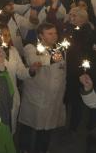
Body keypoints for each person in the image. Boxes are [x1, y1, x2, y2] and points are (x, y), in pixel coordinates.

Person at [0, 24, 40, 132]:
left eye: (7, 35)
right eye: (2, 35)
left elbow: (20, 72)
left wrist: (31, 70)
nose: (5, 37)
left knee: (10, 128)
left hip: (11, 94)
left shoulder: (13, 51)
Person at [19, 23, 67, 153]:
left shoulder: (60, 49)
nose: (54, 36)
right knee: (28, 128)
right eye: (50, 33)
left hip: (54, 99)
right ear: (41, 35)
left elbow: (63, 72)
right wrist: (51, 59)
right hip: (36, 98)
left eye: (55, 33)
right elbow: (33, 60)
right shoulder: (31, 48)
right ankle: (24, 150)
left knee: (46, 131)